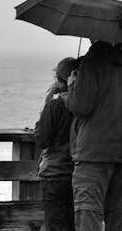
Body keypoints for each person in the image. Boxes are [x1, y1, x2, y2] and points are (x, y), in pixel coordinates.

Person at [64, 40, 122, 231]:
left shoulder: (91, 64)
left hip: (91, 155)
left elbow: (80, 107)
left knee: (88, 215)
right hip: (120, 154)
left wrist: (72, 87)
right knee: (117, 216)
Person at [34, 57, 78, 231]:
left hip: (54, 174)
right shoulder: (85, 106)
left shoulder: (55, 106)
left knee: (56, 224)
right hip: (77, 173)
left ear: (60, 79)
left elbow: (41, 139)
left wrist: (46, 106)